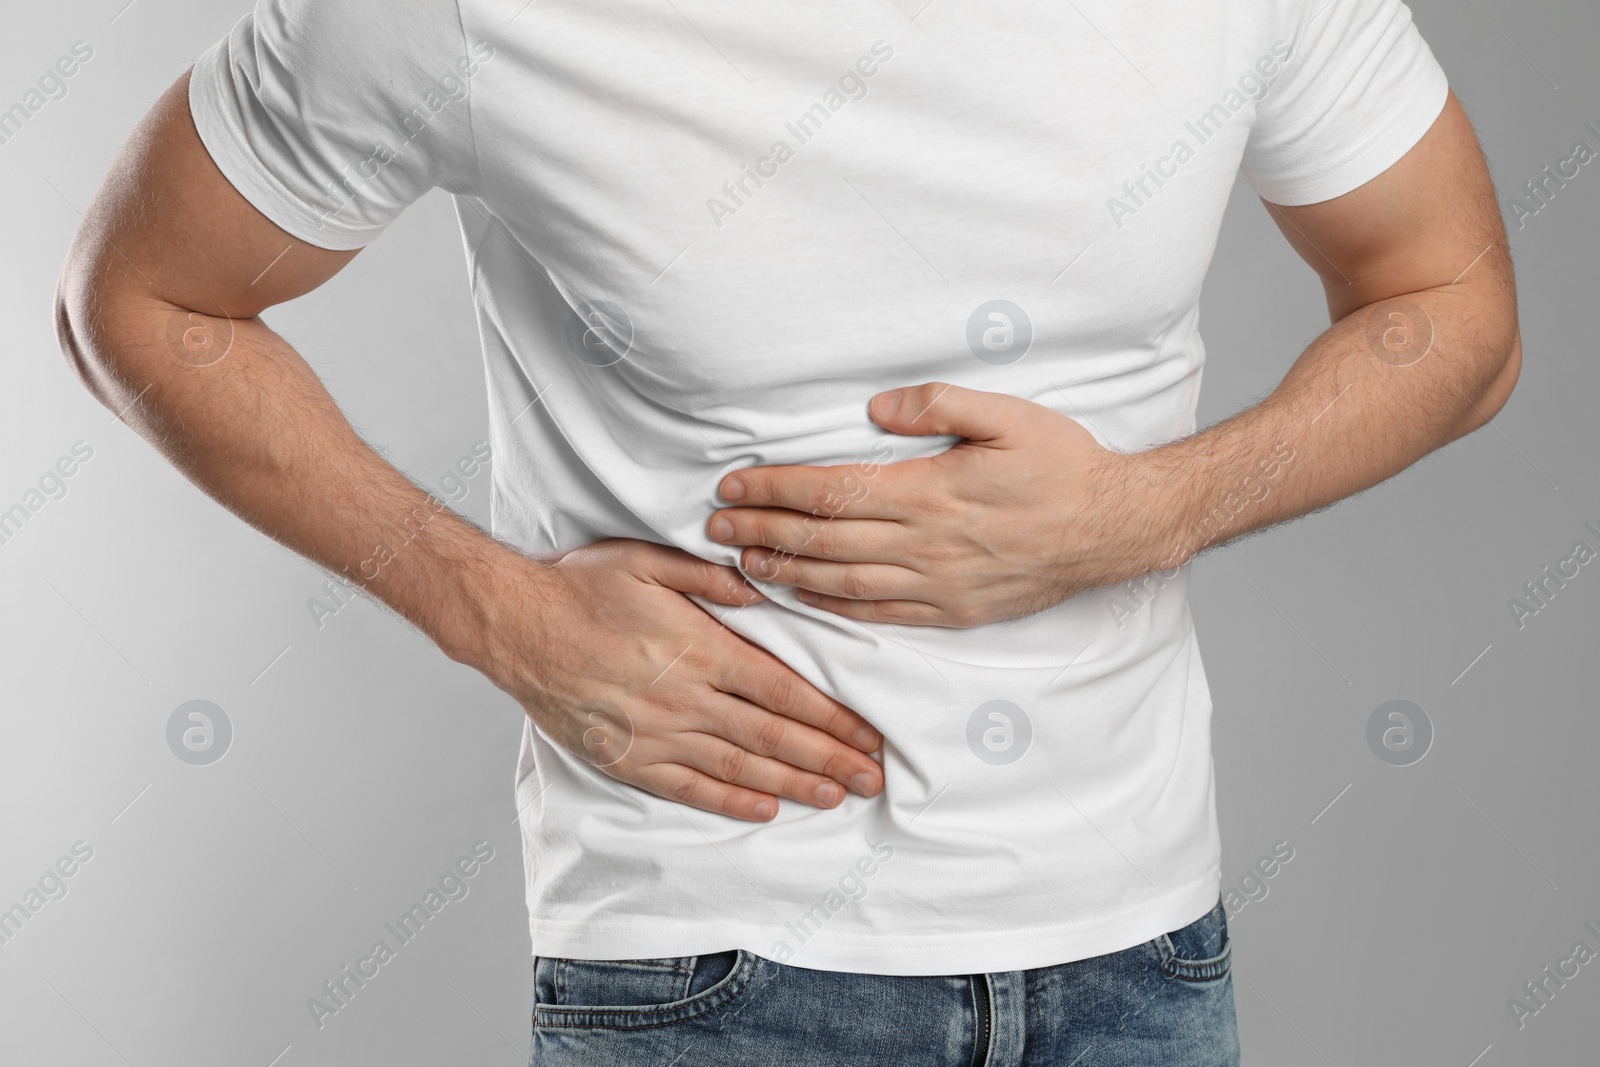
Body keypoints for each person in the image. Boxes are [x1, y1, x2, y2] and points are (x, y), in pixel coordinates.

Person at [56, 0, 1518, 1062]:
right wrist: (497, 614)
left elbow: (1455, 311)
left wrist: (1149, 512)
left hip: (1139, 954)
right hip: (712, 965)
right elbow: (137, 301)